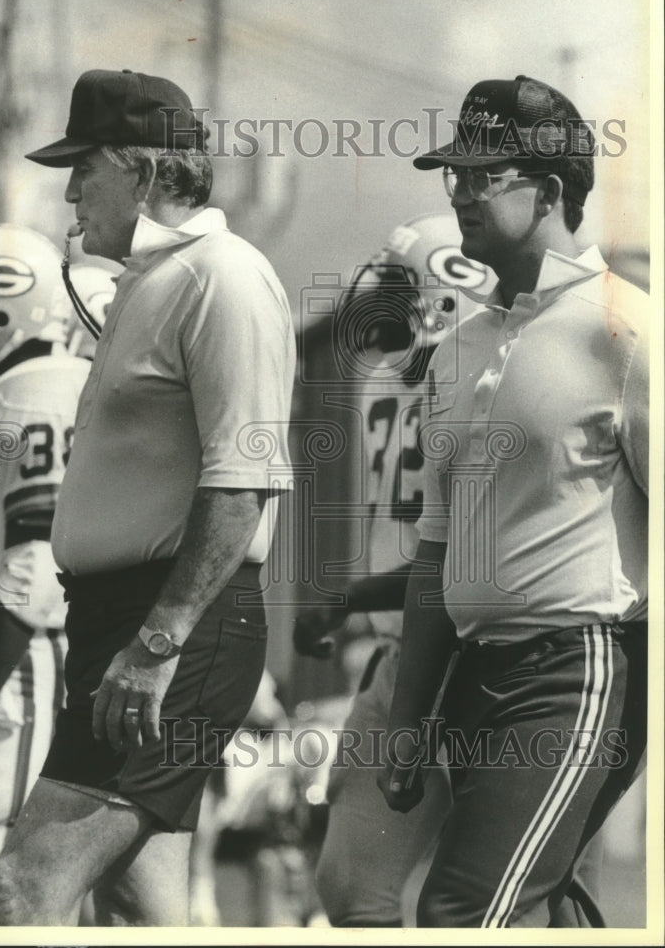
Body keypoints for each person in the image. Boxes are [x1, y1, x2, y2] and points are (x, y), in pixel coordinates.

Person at [0, 68, 296, 926]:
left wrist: (158, 644)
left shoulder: (223, 276)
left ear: (145, 169)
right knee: (136, 904)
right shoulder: (156, 279)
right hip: (127, 624)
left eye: (84, 167)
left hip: (170, 628)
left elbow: (244, 478)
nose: (70, 192)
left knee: (23, 888)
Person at [378, 75, 648, 927]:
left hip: (579, 672)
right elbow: (436, 550)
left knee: (463, 912)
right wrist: (407, 717)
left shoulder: (628, 330)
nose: (459, 192)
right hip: (475, 676)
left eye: (482, 175)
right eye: (453, 175)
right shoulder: (458, 348)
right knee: (544, 912)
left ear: (552, 190)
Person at [293, 213, 491, 926]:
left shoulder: (487, 385)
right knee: (351, 884)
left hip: (481, 660)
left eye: (393, 290)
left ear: (441, 298)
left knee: (506, 901)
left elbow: (460, 559)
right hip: (401, 653)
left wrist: (346, 599)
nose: (372, 306)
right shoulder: (384, 383)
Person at [0, 224, 92, 924]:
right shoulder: (25, 390)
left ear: (0, 310)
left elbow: (35, 565)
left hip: (9, 660)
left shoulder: (35, 394)